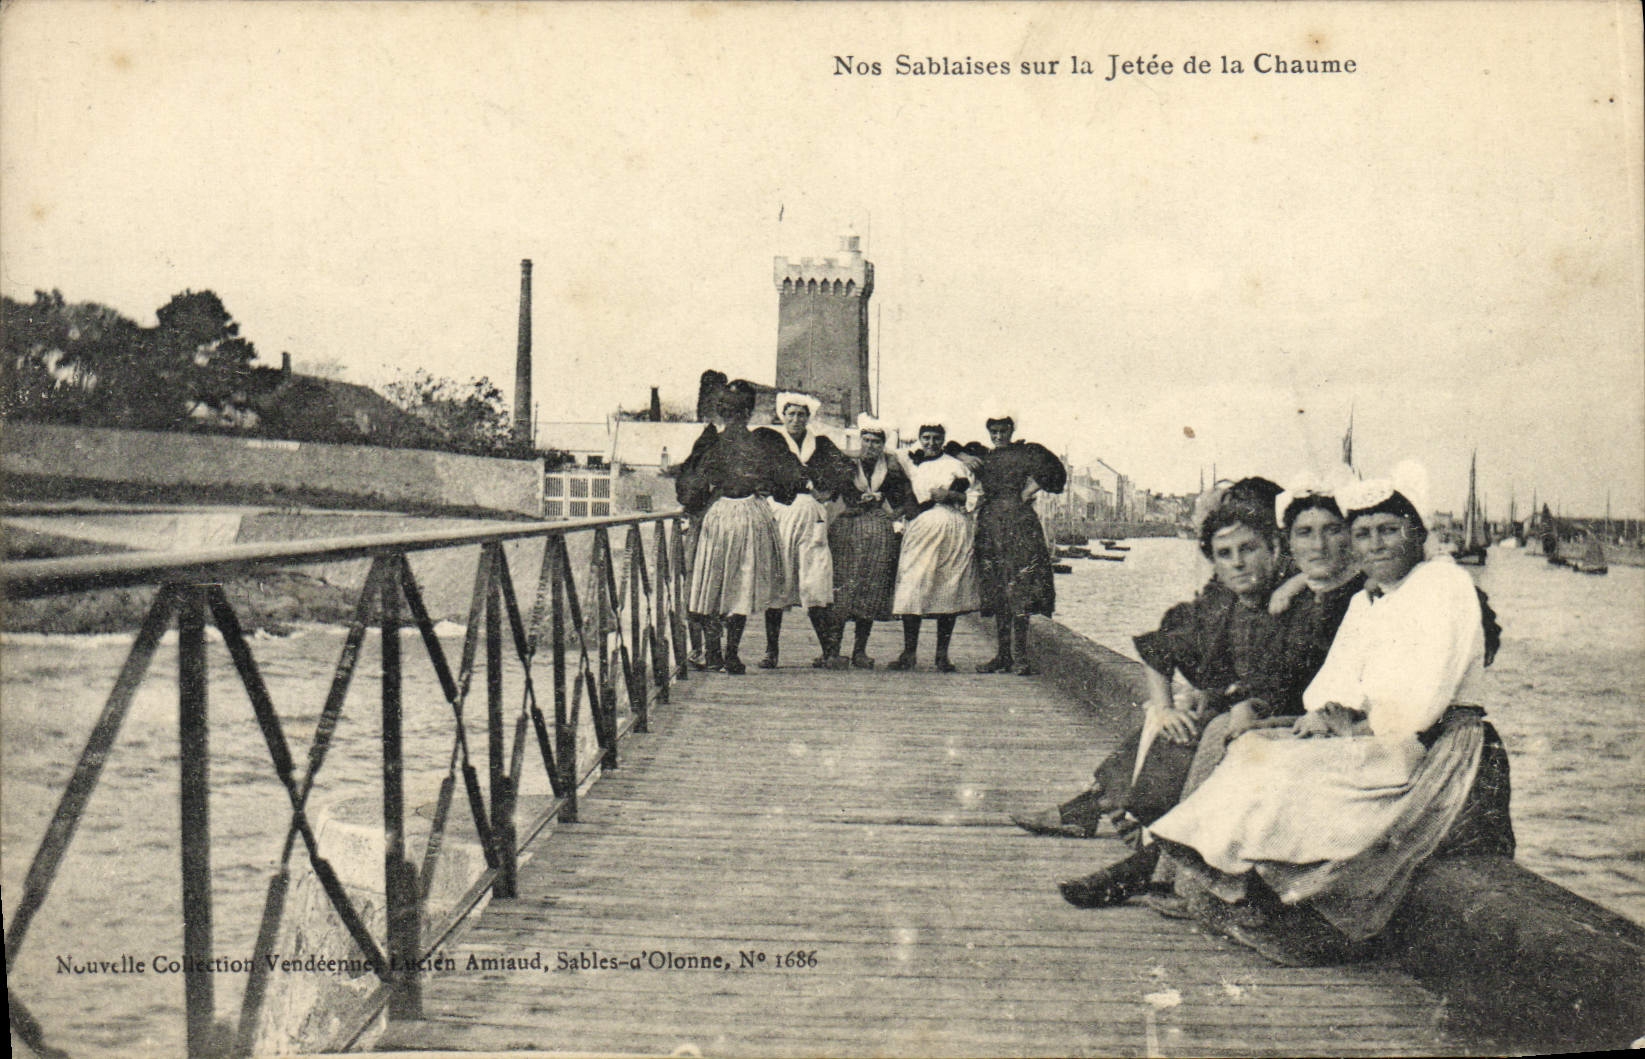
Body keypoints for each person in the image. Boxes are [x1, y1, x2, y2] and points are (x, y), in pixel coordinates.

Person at [1145, 473, 1514, 964]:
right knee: (1253, 749)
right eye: (1364, 534)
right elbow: (1331, 685)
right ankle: (1238, 886)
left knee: (1290, 769)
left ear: (1416, 534)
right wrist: (1327, 714)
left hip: (1433, 741)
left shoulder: (1444, 585)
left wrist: (1349, 723)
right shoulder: (1369, 598)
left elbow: (1424, 701)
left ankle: (1295, 914)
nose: (1375, 544)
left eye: (1388, 530)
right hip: (1372, 733)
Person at [1042, 493, 1302, 906]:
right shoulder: (1226, 606)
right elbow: (1161, 648)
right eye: (1225, 554)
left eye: (1249, 549)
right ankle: (1138, 836)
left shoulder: (1293, 604)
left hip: (1279, 723)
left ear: (1274, 549)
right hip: (1241, 716)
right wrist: (1164, 708)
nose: (1238, 563)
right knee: (1178, 722)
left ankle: (1143, 858)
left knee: (1208, 733)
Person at [681, 379, 804, 674]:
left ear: (722, 411)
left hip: (720, 515)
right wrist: (764, 485)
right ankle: (732, 654)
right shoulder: (763, 441)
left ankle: (712, 653)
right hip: (752, 514)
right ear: (750, 411)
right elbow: (791, 481)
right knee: (742, 584)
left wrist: (697, 506)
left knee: (711, 582)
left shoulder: (711, 441)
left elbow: (690, 489)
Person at [758, 392, 849, 669]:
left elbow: (845, 469)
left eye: (801, 415)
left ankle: (829, 652)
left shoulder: (821, 444)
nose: (796, 419)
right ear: (782, 416)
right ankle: (771, 652)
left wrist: (827, 490)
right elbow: (759, 471)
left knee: (816, 580)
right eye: (791, 414)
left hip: (812, 516)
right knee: (779, 578)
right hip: (782, 514)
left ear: (808, 417)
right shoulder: (772, 442)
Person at [972, 415, 1066, 675]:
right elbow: (954, 450)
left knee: (1020, 588)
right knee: (998, 589)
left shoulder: (1027, 452)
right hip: (991, 524)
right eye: (994, 432)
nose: (998, 436)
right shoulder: (986, 456)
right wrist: (965, 457)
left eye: (1003, 431)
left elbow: (1056, 473)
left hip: (1019, 524)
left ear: (1011, 430)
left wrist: (1027, 491)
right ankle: (1003, 655)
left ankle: (1021, 657)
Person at [889, 425, 982, 672]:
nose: (931, 442)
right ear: (919, 439)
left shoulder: (955, 465)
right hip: (921, 527)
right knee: (912, 584)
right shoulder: (911, 461)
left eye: (936, 438)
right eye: (926, 438)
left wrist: (951, 495)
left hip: (953, 528)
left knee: (947, 587)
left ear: (943, 440)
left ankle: (942, 656)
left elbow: (975, 496)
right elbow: (890, 452)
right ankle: (909, 653)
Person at [826, 415, 915, 669]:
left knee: (870, 589)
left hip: (877, 530)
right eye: (866, 440)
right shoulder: (847, 463)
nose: (870, 446)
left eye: (876, 442)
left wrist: (890, 512)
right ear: (860, 440)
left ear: (883, 445)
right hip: (848, 528)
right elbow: (831, 488)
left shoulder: (892, 468)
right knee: (843, 586)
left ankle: (860, 651)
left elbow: (907, 498)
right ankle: (833, 650)